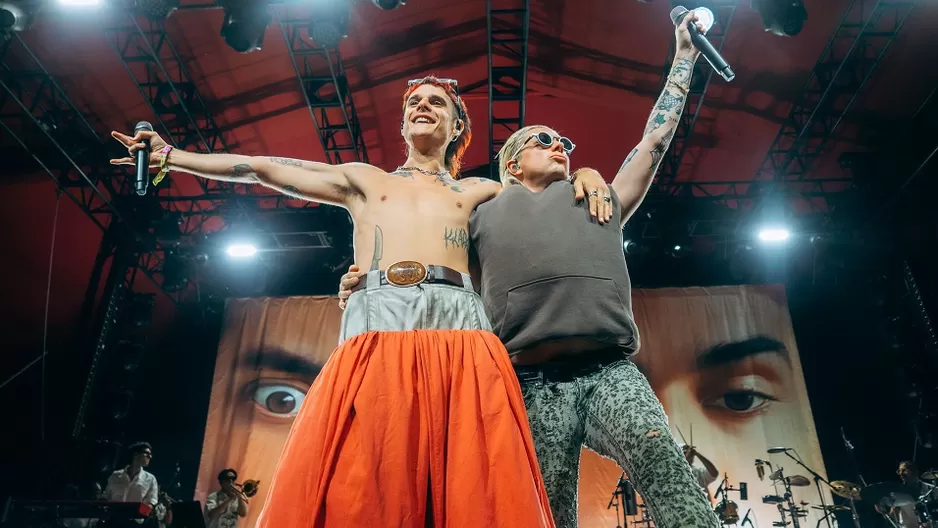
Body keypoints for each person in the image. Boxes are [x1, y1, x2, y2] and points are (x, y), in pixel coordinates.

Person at [111, 76, 609, 527]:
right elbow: (265, 168)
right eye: (414, 101)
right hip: (378, 323)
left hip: (460, 328)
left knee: (471, 474)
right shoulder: (365, 179)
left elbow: (540, 193)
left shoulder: (479, 190)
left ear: (458, 125)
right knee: (367, 471)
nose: (423, 106)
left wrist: (584, 176)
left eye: (436, 102)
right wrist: (173, 156)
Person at [338, 12, 720, 528]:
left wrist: (684, 55)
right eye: (543, 139)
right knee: (543, 510)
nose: (559, 145)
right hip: (530, 382)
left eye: (564, 142)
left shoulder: (598, 196)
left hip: (609, 371)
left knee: (667, 470)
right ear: (511, 163)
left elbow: (653, 144)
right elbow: (429, 254)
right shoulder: (479, 212)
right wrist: (366, 279)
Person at [101, 442, 159, 526]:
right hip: (112, 521)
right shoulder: (115, 475)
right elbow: (106, 496)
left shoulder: (150, 479)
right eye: (147, 453)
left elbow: (151, 502)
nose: (150, 456)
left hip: (134, 523)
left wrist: (140, 513)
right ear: (136, 454)